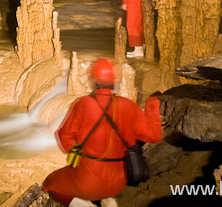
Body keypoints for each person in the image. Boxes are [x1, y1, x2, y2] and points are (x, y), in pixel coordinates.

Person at [42, 59, 161, 207]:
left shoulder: (84, 104)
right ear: (114, 82)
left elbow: (64, 137)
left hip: (88, 180)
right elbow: (153, 135)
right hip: (118, 182)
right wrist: (152, 105)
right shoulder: (127, 105)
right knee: (100, 183)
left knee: (50, 183)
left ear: (93, 81)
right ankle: (107, 200)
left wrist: (76, 151)